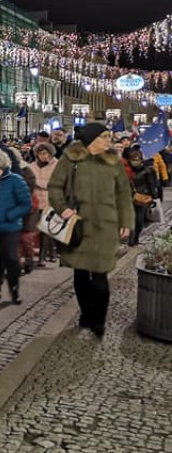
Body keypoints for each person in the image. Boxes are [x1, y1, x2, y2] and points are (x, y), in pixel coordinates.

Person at [48, 124, 132, 337]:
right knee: (81, 274)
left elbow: (123, 193)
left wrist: (126, 221)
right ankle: (86, 313)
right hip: (79, 225)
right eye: (104, 137)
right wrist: (63, 209)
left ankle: (99, 320)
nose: (108, 141)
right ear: (91, 140)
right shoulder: (71, 159)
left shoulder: (113, 161)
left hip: (106, 225)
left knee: (101, 279)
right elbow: (55, 187)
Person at [0, 148, 33, 305]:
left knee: (11, 259)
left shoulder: (15, 180)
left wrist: (9, 215)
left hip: (9, 227)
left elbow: (26, 204)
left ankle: (14, 289)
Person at [28, 142, 59, 265]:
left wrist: (39, 183)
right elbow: (30, 180)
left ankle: (44, 255)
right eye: (40, 153)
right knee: (35, 229)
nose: (43, 156)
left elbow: (55, 182)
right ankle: (48, 253)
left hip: (49, 201)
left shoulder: (56, 165)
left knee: (47, 230)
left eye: (45, 153)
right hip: (35, 202)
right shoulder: (32, 166)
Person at [126, 146, 159, 247]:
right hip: (129, 197)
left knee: (139, 219)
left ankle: (136, 238)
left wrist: (154, 197)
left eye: (137, 160)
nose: (135, 162)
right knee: (131, 219)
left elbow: (151, 184)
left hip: (142, 198)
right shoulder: (127, 171)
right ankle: (131, 239)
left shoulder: (147, 170)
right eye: (133, 160)